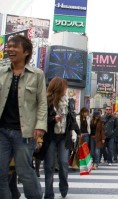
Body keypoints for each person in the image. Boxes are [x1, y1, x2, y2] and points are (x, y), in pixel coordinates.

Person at [0, 35, 47, 199]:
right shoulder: (1, 72)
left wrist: (40, 125)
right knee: (0, 172)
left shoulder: (37, 74)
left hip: (25, 132)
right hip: (2, 131)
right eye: (9, 46)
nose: (10, 49)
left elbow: (42, 102)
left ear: (26, 52)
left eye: (14, 47)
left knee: (24, 171)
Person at [43, 77, 78, 199]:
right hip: (50, 136)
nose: (66, 89)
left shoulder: (69, 101)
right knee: (49, 166)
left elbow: (72, 118)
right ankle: (48, 194)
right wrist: (53, 119)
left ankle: (63, 188)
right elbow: (41, 119)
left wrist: (77, 132)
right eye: (65, 87)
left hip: (64, 136)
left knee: (63, 163)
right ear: (58, 87)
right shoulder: (46, 100)